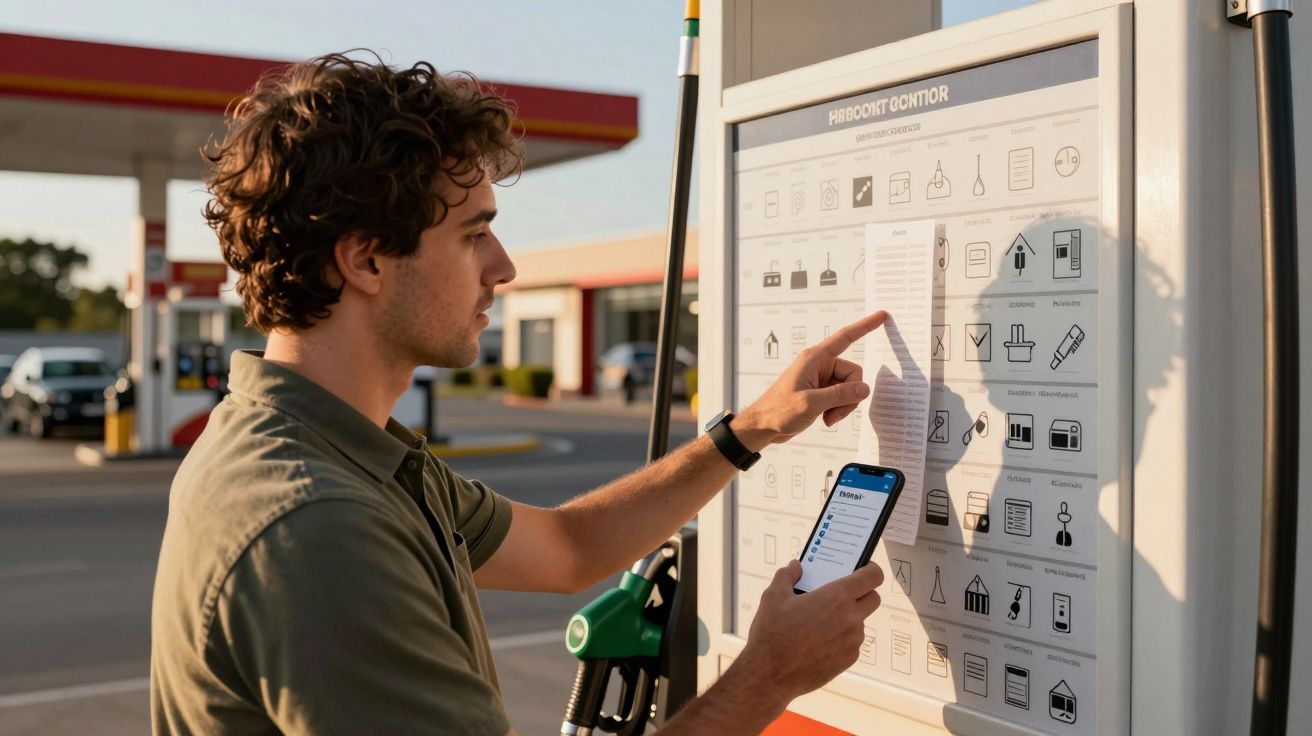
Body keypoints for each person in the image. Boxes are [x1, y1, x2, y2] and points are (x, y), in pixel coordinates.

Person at [150, 53, 889, 736]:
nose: (503, 268)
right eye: (473, 235)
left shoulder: (331, 448)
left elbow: (568, 549)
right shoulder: (320, 525)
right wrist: (768, 675)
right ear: (366, 260)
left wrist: (752, 428)